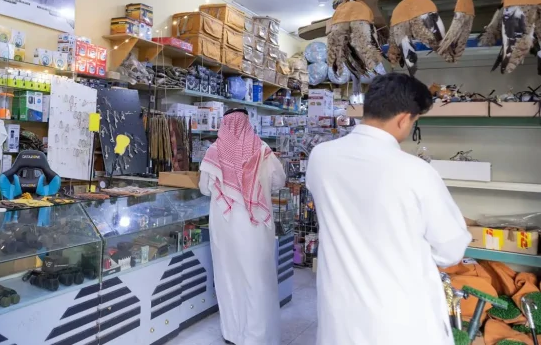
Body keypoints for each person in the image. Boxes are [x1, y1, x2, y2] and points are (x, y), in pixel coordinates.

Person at [306, 73, 472, 345]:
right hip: (398, 317)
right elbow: (450, 250)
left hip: (340, 311)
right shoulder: (417, 172)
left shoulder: (321, 157)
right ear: (404, 119)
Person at [199, 108, 286, 345]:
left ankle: (233, 333)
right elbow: (279, 181)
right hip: (255, 227)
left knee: (228, 276)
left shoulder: (214, 152)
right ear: (248, 123)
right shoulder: (262, 150)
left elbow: (204, 188)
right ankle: (259, 336)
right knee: (258, 278)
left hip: (225, 226)